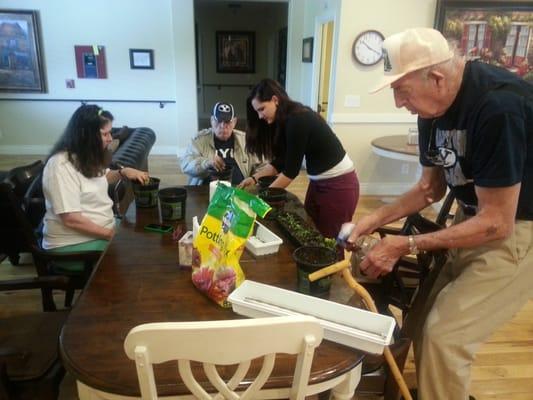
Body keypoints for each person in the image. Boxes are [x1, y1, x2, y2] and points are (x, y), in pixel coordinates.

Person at [346, 27, 533, 399]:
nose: (399, 102)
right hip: (474, 219)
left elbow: (497, 222)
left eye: (402, 89)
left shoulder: (497, 108)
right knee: (418, 322)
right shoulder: (431, 109)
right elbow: (430, 188)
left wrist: (406, 243)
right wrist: (374, 219)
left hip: (516, 232)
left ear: (436, 77)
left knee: (445, 337)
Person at [240, 78, 359, 239]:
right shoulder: (287, 120)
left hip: (339, 186)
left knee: (330, 243)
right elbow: (281, 162)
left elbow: (290, 172)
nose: (260, 116)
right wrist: (254, 178)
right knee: (310, 233)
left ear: (275, 100)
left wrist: (260, 201)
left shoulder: (298, 120)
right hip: (319, 183)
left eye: (262, 109)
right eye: (257, 112)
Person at [42, 104, 149, 265]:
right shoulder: (60, 166)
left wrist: (123, 172)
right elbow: (71, 219)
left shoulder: (84, 156)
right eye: (104, 134)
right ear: (85, 135)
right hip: (73, 245)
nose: (110, 138)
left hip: (100, 230)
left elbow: (102, 177)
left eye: (110, 132)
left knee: (144, 238)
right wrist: (111, 234)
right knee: (137, 257)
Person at [180, 102, 263, 185]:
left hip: (238, 191)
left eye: (227, 122)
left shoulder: (245, 140)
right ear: (212, 120)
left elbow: (262, 165)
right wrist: (206, 163)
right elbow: (186, 165)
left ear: (234, 122)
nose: (223, 126)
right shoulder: (199, 140)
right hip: (206, 191)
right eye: (219, 121)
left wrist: (253, 181)